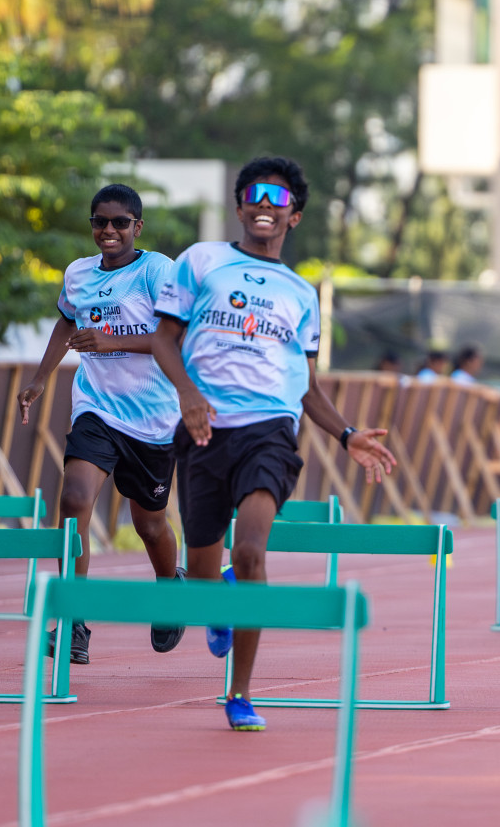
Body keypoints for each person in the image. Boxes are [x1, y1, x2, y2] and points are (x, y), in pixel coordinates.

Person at [149, 157, 397, 731]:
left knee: (252, 552)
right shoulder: (201, 260)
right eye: (255, 194)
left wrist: (347, 434)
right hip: (204, 428)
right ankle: (219, 600)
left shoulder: (301, 293)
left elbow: (306, 384)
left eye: (278, 197)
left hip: (270, 431)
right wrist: (187, 393)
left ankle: (240, 694)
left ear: (295, 216)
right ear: (240, 207)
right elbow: (163, 339)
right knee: (202, 576)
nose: (266, 204)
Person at [16, 184, 184, 665]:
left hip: (152, 417)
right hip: (97, 407)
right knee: (73, 500)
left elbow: (174, 337)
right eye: (99, 222)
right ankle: (74, 620)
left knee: (149, 524)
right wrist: (40, 379)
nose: (108, 230)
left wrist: (112, 341)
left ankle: (170, 588)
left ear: (137, 227)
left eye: (119, 222)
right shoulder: (78, 273)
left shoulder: (157, 271)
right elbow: (66, 323)